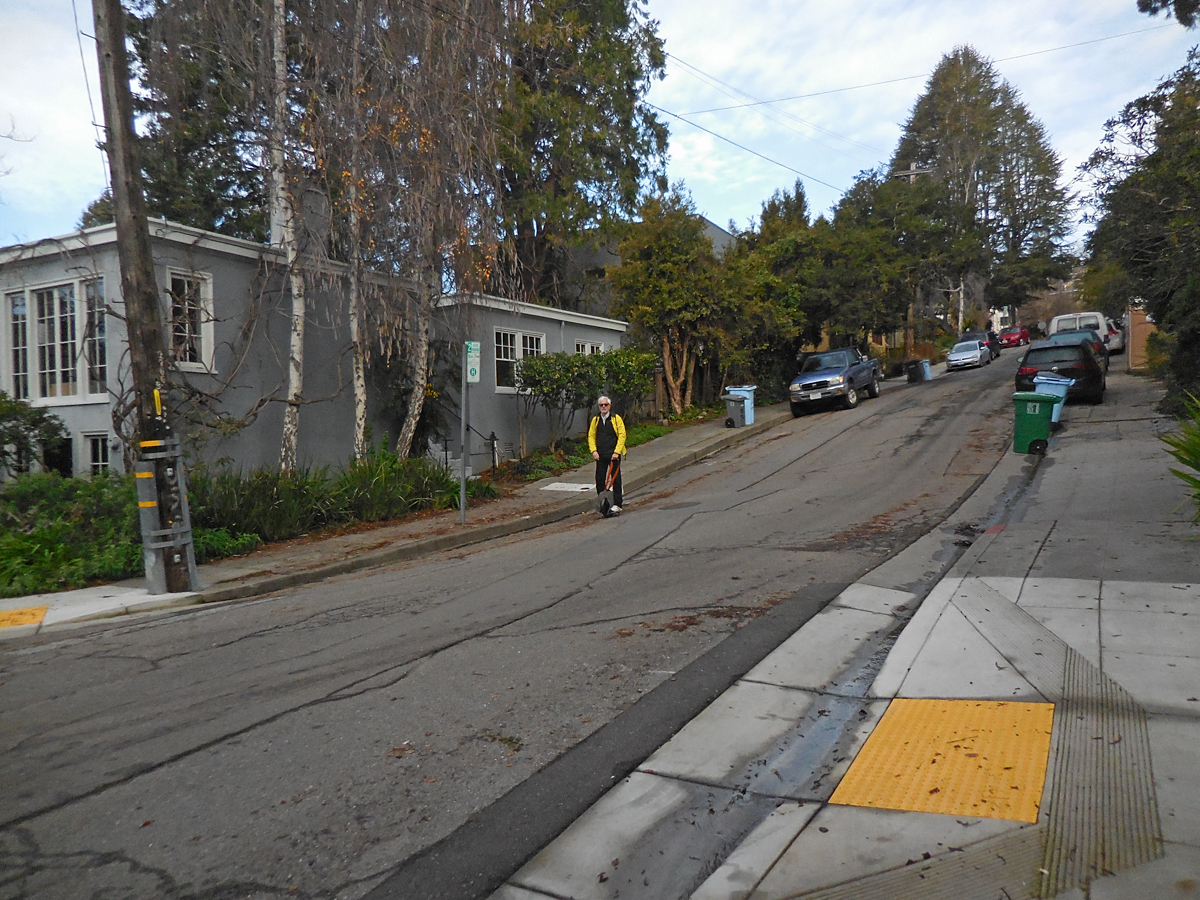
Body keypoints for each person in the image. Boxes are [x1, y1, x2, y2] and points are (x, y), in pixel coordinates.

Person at [588, 396, 626, 514]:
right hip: (600, 454)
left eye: (606, 405)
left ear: (610, 406)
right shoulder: (596, 420)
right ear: (599, 407)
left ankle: (618, 503)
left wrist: (617, 452)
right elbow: (591, 436)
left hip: (613, 454)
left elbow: (622, 435)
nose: (604, 407)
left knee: (616, 479)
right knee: (600, 479)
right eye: (601, 405)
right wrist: (594, 451)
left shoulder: (616, 418)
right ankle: (603, 503)